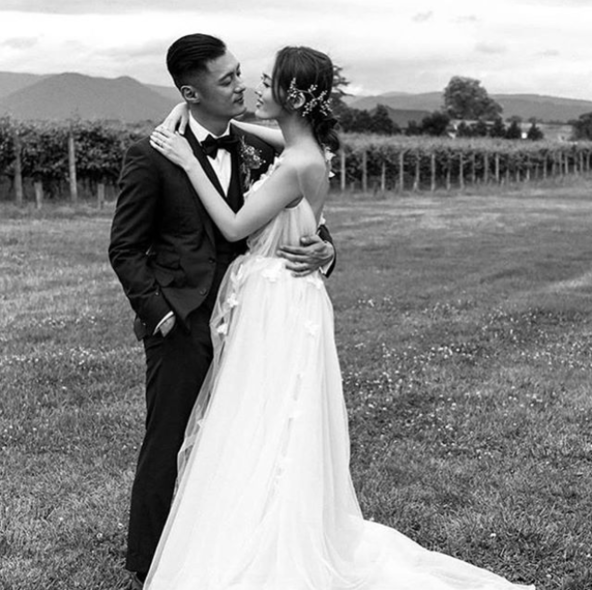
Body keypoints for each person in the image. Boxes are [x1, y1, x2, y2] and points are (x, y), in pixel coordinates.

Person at [145, 45, 535, 590]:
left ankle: (263, 533)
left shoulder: (298, 162)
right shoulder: (305, 148)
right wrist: (184, 115)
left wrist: (190, 162)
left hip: (277, 298)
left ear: (290, 96)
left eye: (266, 82)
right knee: (271, 416)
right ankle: (258, 518)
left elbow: (234, 227)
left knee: (264, 417)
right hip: (290, 295)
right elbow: (264, 135)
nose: (254, 89)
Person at [108, 33, 335, 589]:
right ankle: (149, 562)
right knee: (168, 439)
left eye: (240, 73)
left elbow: (305, 217)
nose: (240, 85)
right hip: (184, 322)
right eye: (227, 78)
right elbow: (124, 248)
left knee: (241, 437)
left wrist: (326, 252)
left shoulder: (263, 147)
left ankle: (224, 546)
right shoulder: (152, 156)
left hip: (253, 320)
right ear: (191, 92)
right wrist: (160, 314)